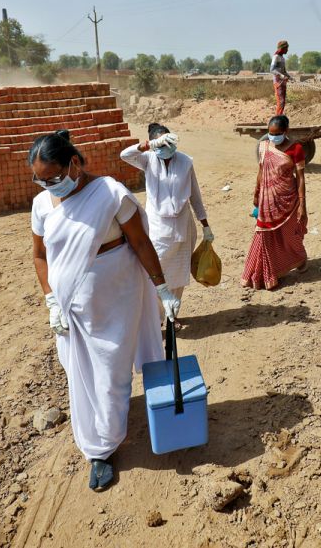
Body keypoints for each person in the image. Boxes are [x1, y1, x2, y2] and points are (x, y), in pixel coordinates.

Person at [29, 130, 180, 491]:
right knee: (80, 374)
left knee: (111, 372)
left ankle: (103, 449)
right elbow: (39, 255)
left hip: (116, 299)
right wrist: (51, 300)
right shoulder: (41, 204)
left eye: (54, 177)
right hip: (70, 306)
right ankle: (99, 437)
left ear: (75, 164)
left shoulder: (110, 193)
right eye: (40, 180)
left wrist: (162, 288)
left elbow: (140, 242)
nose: (49, 185)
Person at [120, 124, 212, 317]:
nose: (166, 148)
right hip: (158, 229)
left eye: (168, 142)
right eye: (161, 145)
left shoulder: (185, 161)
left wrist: (205, 225)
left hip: (183, 227)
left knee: (178, 276)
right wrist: (148, 145)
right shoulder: (147, 160)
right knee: (154, 272)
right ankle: (157, 317)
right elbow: (124, 155)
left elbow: (195, 195)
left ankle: (173, 316)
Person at [241, 115, 308, 290]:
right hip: (266, 200)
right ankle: (265, 275)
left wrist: (302, 204)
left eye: (277, 133)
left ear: (286, 131)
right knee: (264, 235)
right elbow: (261, 170)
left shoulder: (296, 149)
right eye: (270, 133)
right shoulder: (263, 146)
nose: (273, 137)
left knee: (289, 235)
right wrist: (256, 193)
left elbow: (300, 179)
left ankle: (300, 258)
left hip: (288, 199)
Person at [270, 40, 293, 116]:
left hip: (283, 83)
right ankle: (277, 119)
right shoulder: (276, 57)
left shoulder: (282, 58)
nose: (287, 50)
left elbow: (284, 71)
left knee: (283, 102)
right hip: (278, 83)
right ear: (282, 48)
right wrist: (283, 76)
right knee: (281, 102)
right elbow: (272, 70)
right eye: (286, 48)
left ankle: (279, 117)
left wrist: (290, 77)